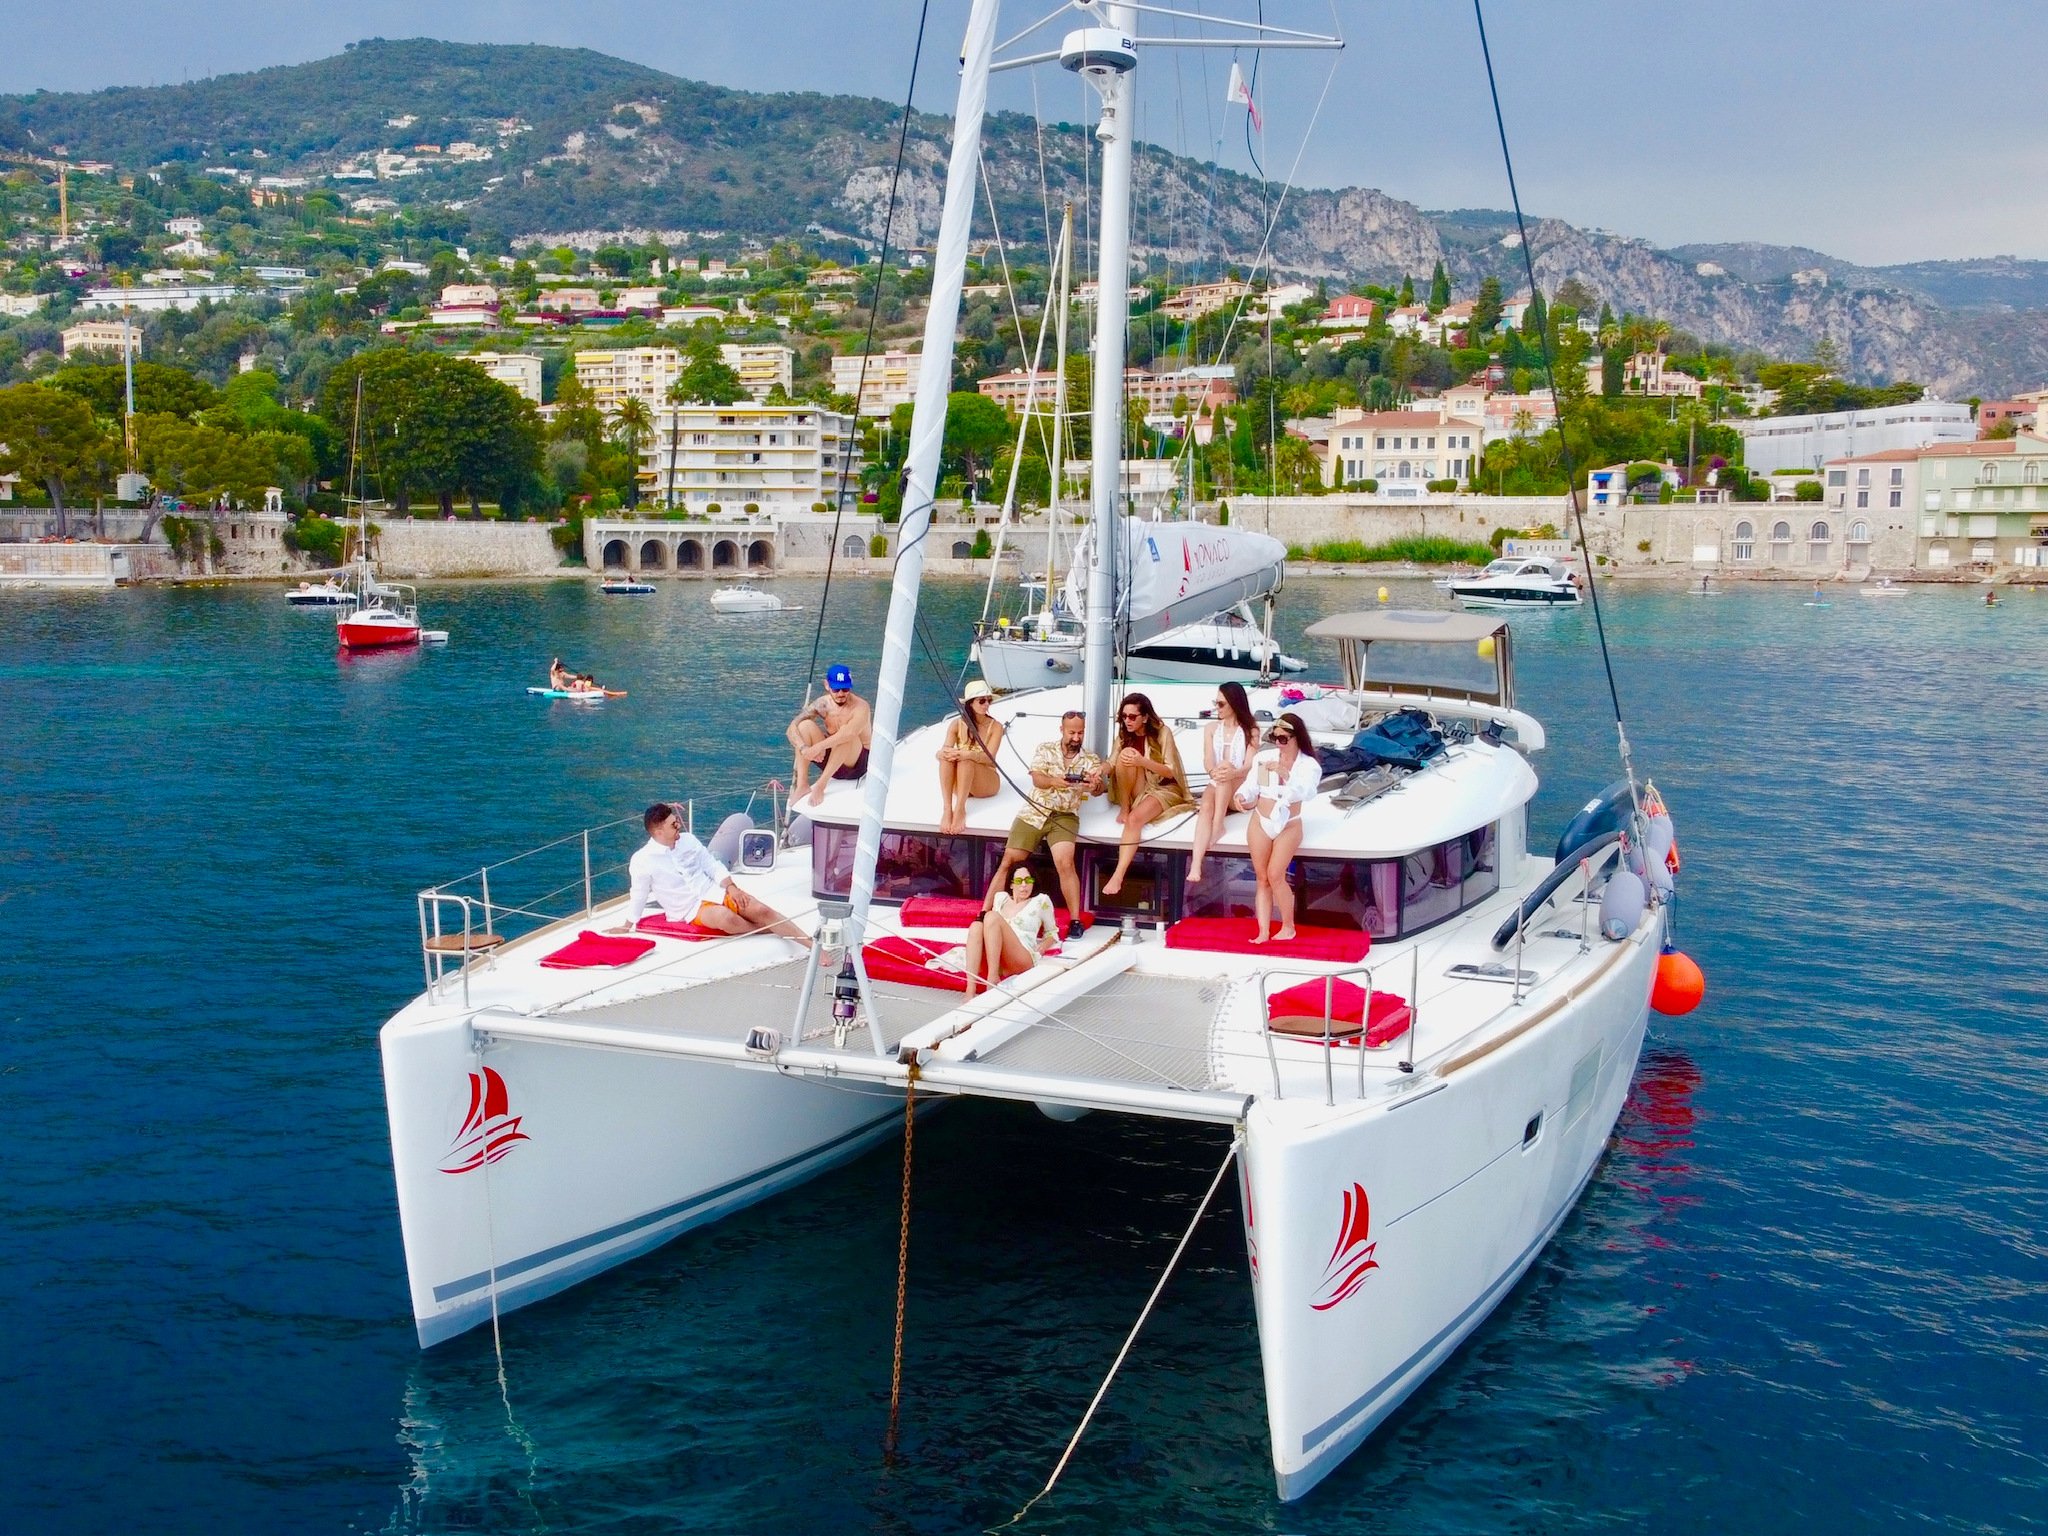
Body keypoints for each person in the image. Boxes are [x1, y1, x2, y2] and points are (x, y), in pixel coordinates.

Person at [616, 802, 811, 947]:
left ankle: (809, 943)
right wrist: (627, 925)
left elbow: (712, 865)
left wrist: (731, 887)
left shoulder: (688, 840)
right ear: (659, 832)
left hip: (712, 891)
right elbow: (639, 894)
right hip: (688, 909)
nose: (679, 826)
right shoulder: (642, 860)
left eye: (677, 822)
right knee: (726, 918)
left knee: (761, 910)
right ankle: (771, 928)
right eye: (673, 825)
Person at [985, 709, 1103, 939]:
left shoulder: (1091, 759)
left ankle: (1075, 920)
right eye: (1072, 733)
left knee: (1065, 862)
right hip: (1035, 810)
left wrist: (1094, 785)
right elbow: (1038, 779)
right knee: (1009, 860)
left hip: (1064, 815)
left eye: (1080, 733)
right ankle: (985, 912)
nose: (1076, 738)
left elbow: (1100, 789)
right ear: (1062, 730)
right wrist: (1054, 782)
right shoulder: (1045, 749)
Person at [1235, 712, 1322, 944]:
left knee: (1276, 874)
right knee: (1262, 877)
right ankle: (1263, 931)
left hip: (1288, 824)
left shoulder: (1308, 765)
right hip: (1261, 820)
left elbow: (1307, 792)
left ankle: (1288, 926)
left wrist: (1287, 775)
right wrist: (1241, 796)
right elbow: (1253, 785)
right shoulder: (1265, 758)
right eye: (1275, 738)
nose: (1278, 743)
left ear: (1296, 738)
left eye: (1283, 739)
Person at [1100, 691, 1192, 898]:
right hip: (1139, 788)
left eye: (1132, 717)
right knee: (1125, 754)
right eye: (1124, 716)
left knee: (1135, 820)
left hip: (1164, 788)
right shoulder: (1124, 735)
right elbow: (1112, 762)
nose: (1127, 721)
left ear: (1145, 717)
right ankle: (1125, 807)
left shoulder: (1162, 732)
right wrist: (1099, 770)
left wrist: (1142, 761)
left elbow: (1170, 771)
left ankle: (1118, 874)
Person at [1188, 680, 1258, 885]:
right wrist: (1214, 772)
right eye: (1216, 703)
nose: (1216, 708)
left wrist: (1230, 772)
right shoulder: (1211, 728)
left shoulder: (1251, 730)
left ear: (1234, 704)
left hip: (1240, 788)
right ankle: (1196, 864)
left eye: (1220, 704)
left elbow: (1249, 765)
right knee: (1205, 807)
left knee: (1226, 768)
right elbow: (1208, 759)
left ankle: (1218, 825)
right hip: (1218, 781)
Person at [958, 866, 1059, 998]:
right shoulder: (1001, 898)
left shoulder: (1041, 901)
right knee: (976, 926)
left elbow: (1052, 932)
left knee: (992, 916)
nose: (1024, 885)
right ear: (1011, 884)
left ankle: (992, 977)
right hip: (997, 955)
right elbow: (991, 929)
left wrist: (1043, 947)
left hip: (1021, 955)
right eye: (1019, 881)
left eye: (1028, 880)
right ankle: (970, 989)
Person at [787, 663, 873, 807]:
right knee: (804, 726)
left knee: (846, 734)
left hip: (858, 765)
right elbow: (791, 728)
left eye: (845, 689)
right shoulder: (822, 704)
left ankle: (821, 785)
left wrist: (818, 747)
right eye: (836, 689)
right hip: (834, 761)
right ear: (827, 685)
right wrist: (804, 749)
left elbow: (849, 733)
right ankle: (802, 785)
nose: (841, 694)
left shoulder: (861, 707)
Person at [936, 679, 1005, 835]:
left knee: (966, 760)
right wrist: (942, 753)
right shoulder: (956, 724)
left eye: (989, 700)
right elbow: (944, 749)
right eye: (982, 701)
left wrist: (968, 754)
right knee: (946, 758)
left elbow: (990, 758)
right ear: (971, 703)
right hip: (963, 782)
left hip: (986, 780)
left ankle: (960, 809)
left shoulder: (996, 727)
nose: (986, 705)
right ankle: (947, 809)